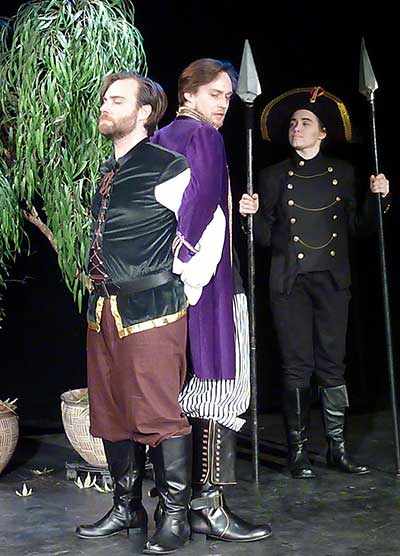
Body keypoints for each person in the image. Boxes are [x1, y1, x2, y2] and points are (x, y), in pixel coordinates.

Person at [240, 86, 390, 479]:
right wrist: (251, 216)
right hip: (289, 283)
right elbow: (264, 239)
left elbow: (359, 228)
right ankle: (298, 453)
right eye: (293, 123)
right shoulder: (273, 176)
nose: (296, 128)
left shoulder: (343, 173)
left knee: (332, 366)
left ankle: (337, 450)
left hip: (332, 281)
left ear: (323, 132)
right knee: (296, 367)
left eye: (305, 122)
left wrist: (380, 199)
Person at [75, 71, 194, 555]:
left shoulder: (168, 166)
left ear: (144, 112)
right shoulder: (108, 168)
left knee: (159, 415)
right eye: (105, 99)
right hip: (103, 308)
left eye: (117, 100)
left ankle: (175, 515)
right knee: (111, 412)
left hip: (151, 308)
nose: (105, 106)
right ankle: (127, 508)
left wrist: (185, 286)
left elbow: (205, 231)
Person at [152, 58, 271, 542]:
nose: (223, 104)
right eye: (215, 94)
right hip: (210, 283)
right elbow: (199, 206)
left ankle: (177, 507)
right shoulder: (202, 136)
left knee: (183, 392)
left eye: (227, 97)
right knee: (223, 387)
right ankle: (210, 507)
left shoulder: (159, 138)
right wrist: (188, 258)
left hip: (168, 287)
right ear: (189, 93)